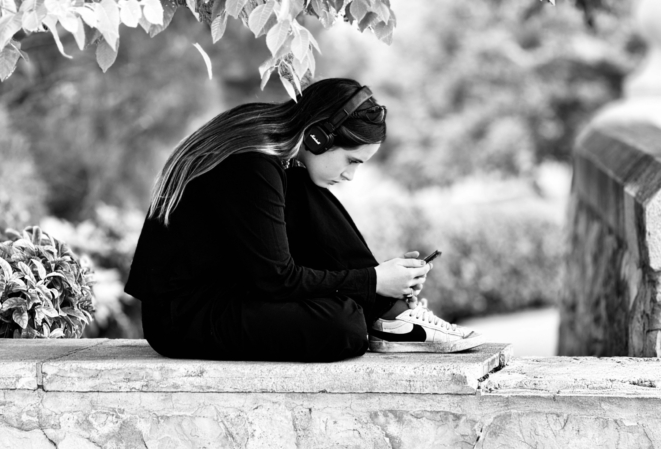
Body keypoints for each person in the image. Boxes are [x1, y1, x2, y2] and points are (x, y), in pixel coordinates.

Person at [125, 78, 484, 362]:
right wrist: (373, 280)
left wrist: (374, 283)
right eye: (351, 161)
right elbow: (276, 279)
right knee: (343, 326)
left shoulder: (270, 150)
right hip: (185, 316)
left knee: (302, 186)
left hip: (228, 290)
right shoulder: (252, 162)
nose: (350, 176)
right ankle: (387, 314)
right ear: (318, 136)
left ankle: (391, 316)